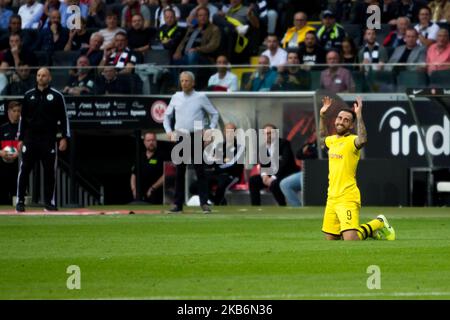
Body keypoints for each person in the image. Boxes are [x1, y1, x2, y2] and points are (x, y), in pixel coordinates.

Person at [318, 95, 395, 241]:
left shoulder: (352, 141)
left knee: (350, 239)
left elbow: (363, 139)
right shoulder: (332, 140)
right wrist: (322, 116)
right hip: (332, 197)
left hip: (347, 197)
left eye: (346, 120)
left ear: (351, 125)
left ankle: (378, 223)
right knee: (331, 240)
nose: (341, 122)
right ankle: (370, 232)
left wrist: (359, 116)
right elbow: (322, 139)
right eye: (339, 118)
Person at [163, 71, 219, 213]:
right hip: (181, 136)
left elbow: (214, 113)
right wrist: (169, 131)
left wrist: (210, 129)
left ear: (193, 82)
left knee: (200, 171)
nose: (184, 83)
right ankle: (177, 204)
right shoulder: (176, 97)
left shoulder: (200, 97)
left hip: (196, 135)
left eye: (187, 81)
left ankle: (204, 203)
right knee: (179, 172)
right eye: (182, 81)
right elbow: (166, 116)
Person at [16, 67, 70, 212]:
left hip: (48, 139)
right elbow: (22, 118)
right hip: (30, 138)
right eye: (39, 75)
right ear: (36, 78)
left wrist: (64, 137)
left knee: (49, 172)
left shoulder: (57, 96)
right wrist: (20, 138)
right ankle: (20, 201)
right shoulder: (28, 95)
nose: (41, 78)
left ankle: (48, 202)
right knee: (25, 169)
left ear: (49, 78)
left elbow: (64, 118)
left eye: (44, 75)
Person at [249, 124, 297, 206]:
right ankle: (255, 207)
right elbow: (264, 165)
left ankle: (282, 205)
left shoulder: (284, 144)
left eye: (270, 133)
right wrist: (264, 176)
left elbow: (284, 164)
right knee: (253, 181)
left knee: (274, 183)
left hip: (285, 174)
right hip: (271, 174)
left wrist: (273, 177)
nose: (267, 136)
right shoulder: (262, 148)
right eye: (265, 134)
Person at [130, 132, 167, 204]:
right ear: (144, 142)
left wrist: (153, 188)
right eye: (148, 140)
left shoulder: (162, 155)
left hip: (157, 194)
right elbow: (134, 175)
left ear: (156, 141)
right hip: (140, 195)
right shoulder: (140, 156)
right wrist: (134, 189)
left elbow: (166, 175)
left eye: (153, 140)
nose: (151, 142)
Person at [0, 100, 21, 205]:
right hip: (3, 168)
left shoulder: (23, 129)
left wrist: (19, 153)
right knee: (3, 198)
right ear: (8, 112)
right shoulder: (2, 128)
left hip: (17, 168)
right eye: (14, 111)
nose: (17, 113)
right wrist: (1, 152)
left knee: (16, 197)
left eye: (18, 111)